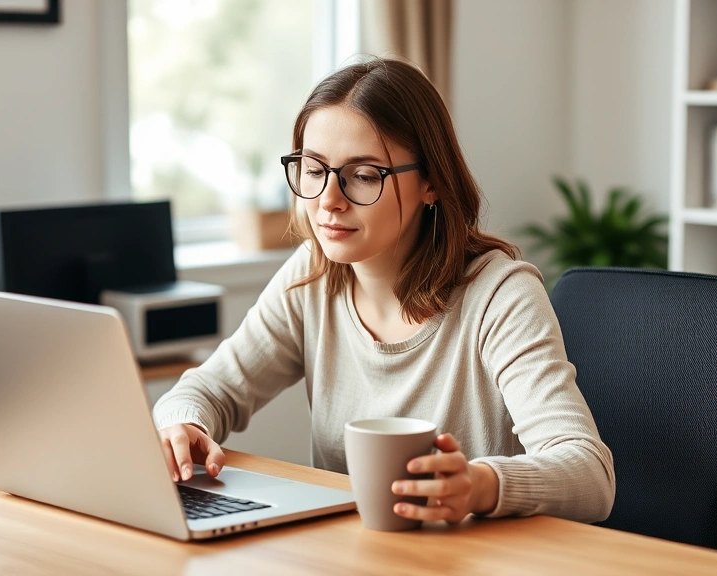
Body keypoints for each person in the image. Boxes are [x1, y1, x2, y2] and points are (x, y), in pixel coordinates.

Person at [153, 57, 615, 524]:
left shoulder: (499, 296)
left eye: (364, 175)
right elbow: (208, 390)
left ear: (431, 182)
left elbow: (589, 474)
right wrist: (184, 425)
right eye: (314, 170)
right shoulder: (311, 277)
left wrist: (479, 485)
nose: (328, 200)